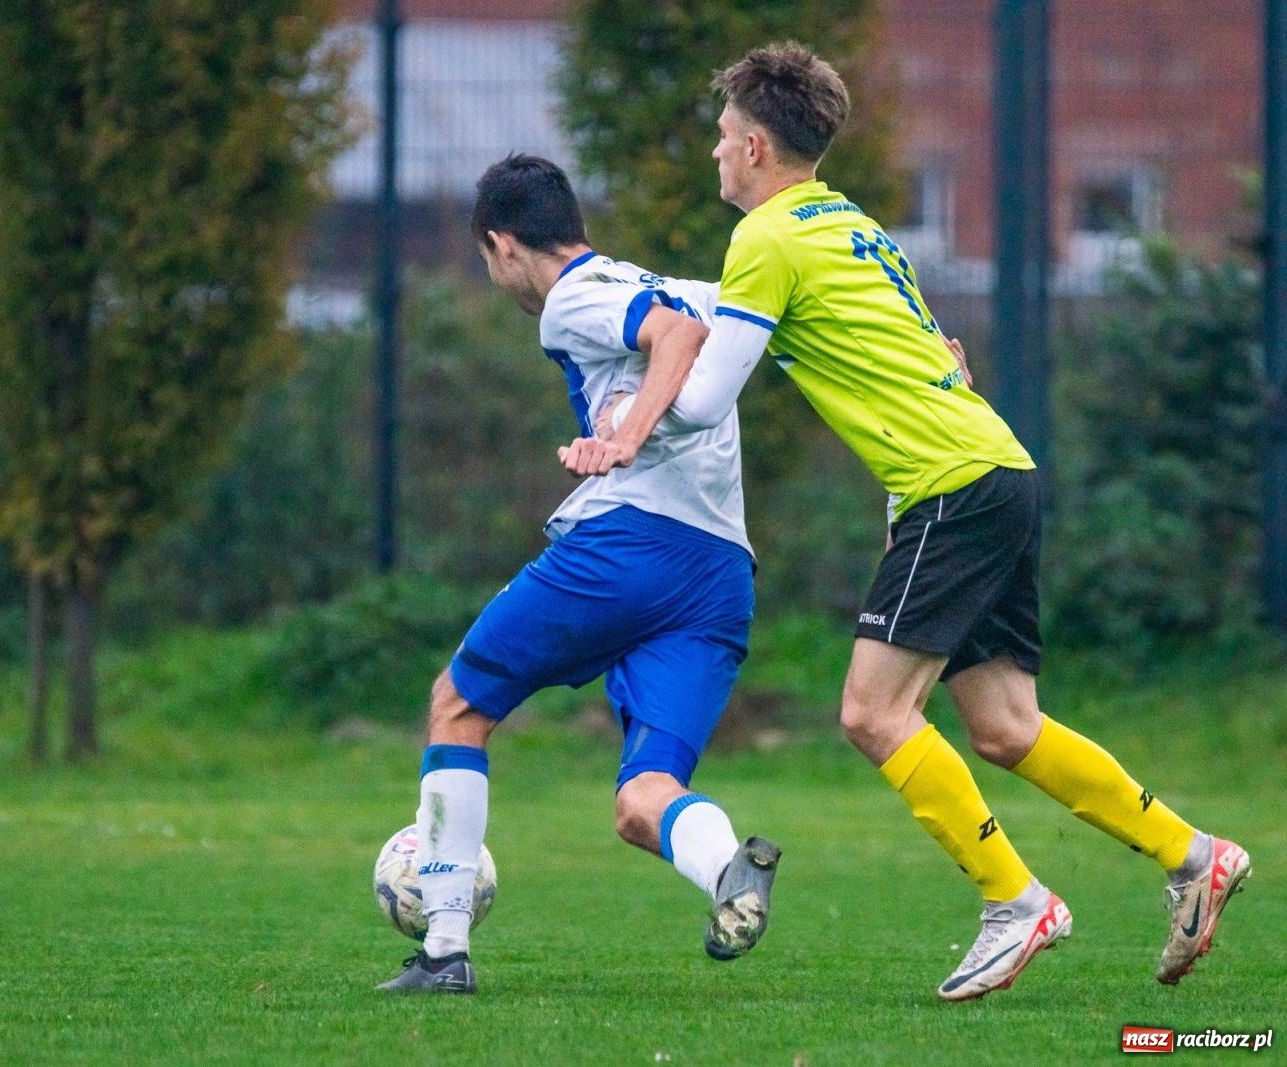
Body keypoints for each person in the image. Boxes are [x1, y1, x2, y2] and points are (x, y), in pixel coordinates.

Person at [575, 43, 1252, 1002]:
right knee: (1008, 727)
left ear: (759, 145)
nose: (717, 155)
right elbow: (940, 350)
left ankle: (1015, 900)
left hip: (953, 484)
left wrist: (624, 412)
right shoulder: (844, 220)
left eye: (724, 139)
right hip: (998, 468)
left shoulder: (765, 238)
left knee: (871, 712)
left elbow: (708, 397)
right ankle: (1193, 854)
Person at [379, 154, 779, 995]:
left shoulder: (574, 296)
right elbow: (743, 324)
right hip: (719, 574)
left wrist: (626, 435)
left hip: (627, 549)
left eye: (489, 262)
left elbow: (677, 336)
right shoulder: (687, 283)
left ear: (502, 244)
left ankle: (442, 951)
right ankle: (726, 873)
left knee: (458, 702)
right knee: (645, 800)